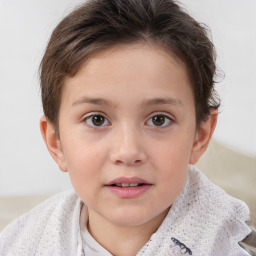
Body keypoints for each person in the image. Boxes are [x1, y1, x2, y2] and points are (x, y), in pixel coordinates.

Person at [0, 0, 255, 255]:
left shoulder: (231, 246)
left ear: (200, 136)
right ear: (56, 142)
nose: (128, 151)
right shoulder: (17, 244)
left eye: (158, 119)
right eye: (97, 119)